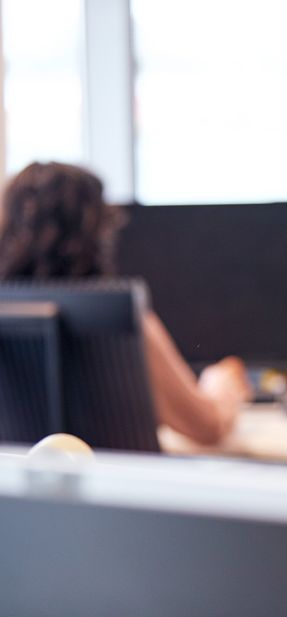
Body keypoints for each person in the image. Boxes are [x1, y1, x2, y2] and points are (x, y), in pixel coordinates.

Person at [0, 161, 252, 445]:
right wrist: (223, 382)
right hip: (121, 489)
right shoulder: (119, 318)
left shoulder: (6, 314)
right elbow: (208, 427)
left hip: (19, 489)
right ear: (96, 232)